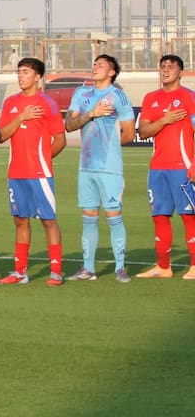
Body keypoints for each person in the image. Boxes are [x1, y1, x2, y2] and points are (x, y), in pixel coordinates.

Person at [0, 58, 66, 286]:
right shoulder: (11, 103)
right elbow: (1, 136)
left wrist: (42, 160)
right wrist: (20, 117)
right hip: (16, 173)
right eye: (19, 72)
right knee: (20, 221)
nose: (20, 76)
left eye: (25, 72)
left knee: (48, 221)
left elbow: (60, 140)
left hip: (40, 174)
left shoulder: (48, 103)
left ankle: (56, 271)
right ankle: (20, 272)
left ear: (37, 77)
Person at [65, 54, 134, 283]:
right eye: (94, 64)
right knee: (89, 217)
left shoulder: (118, 97)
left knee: (114, 215)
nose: (95, 67)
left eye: (101, 65)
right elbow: (69, 125)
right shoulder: (80, 94)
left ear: (112, 72)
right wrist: (91, 114)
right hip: (85, 167)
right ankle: (88, 269)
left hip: (110, 168)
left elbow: (129, 133)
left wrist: (109, 145)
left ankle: (120, 268)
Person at [136, 55, 195, 280]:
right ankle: (163, 267)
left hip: (182, 166)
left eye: (171, 67)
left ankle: (194, 266)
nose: (166, 70)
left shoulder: (189, 97)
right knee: (160, 216)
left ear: (181, 72)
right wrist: (164, 120)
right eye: (162, 67)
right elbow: (143, 131)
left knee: (189, 216)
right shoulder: (151, 98)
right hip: (158, 168)